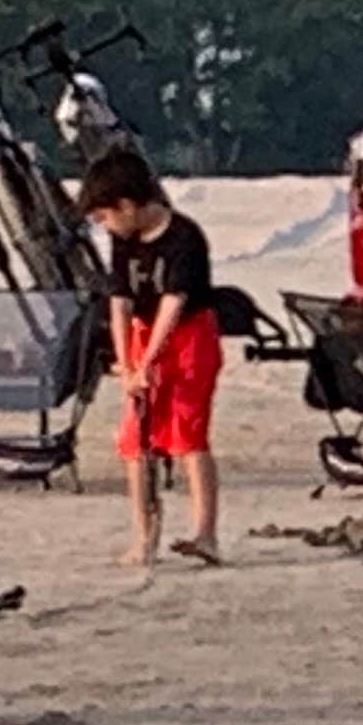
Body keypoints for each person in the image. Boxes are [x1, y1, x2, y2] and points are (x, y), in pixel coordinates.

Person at [79, 147, 221, 566]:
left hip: (189, 335)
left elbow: (173, 304)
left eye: (104, 216)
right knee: (136, 439)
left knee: (188, 431)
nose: (103, 226)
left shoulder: (184, 237)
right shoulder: (122, 241)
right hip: (143, 333)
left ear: (127, 205)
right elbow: (120, 302)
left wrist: (149, 362)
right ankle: (145, 537)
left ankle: (205, 533)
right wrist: (128, 365)